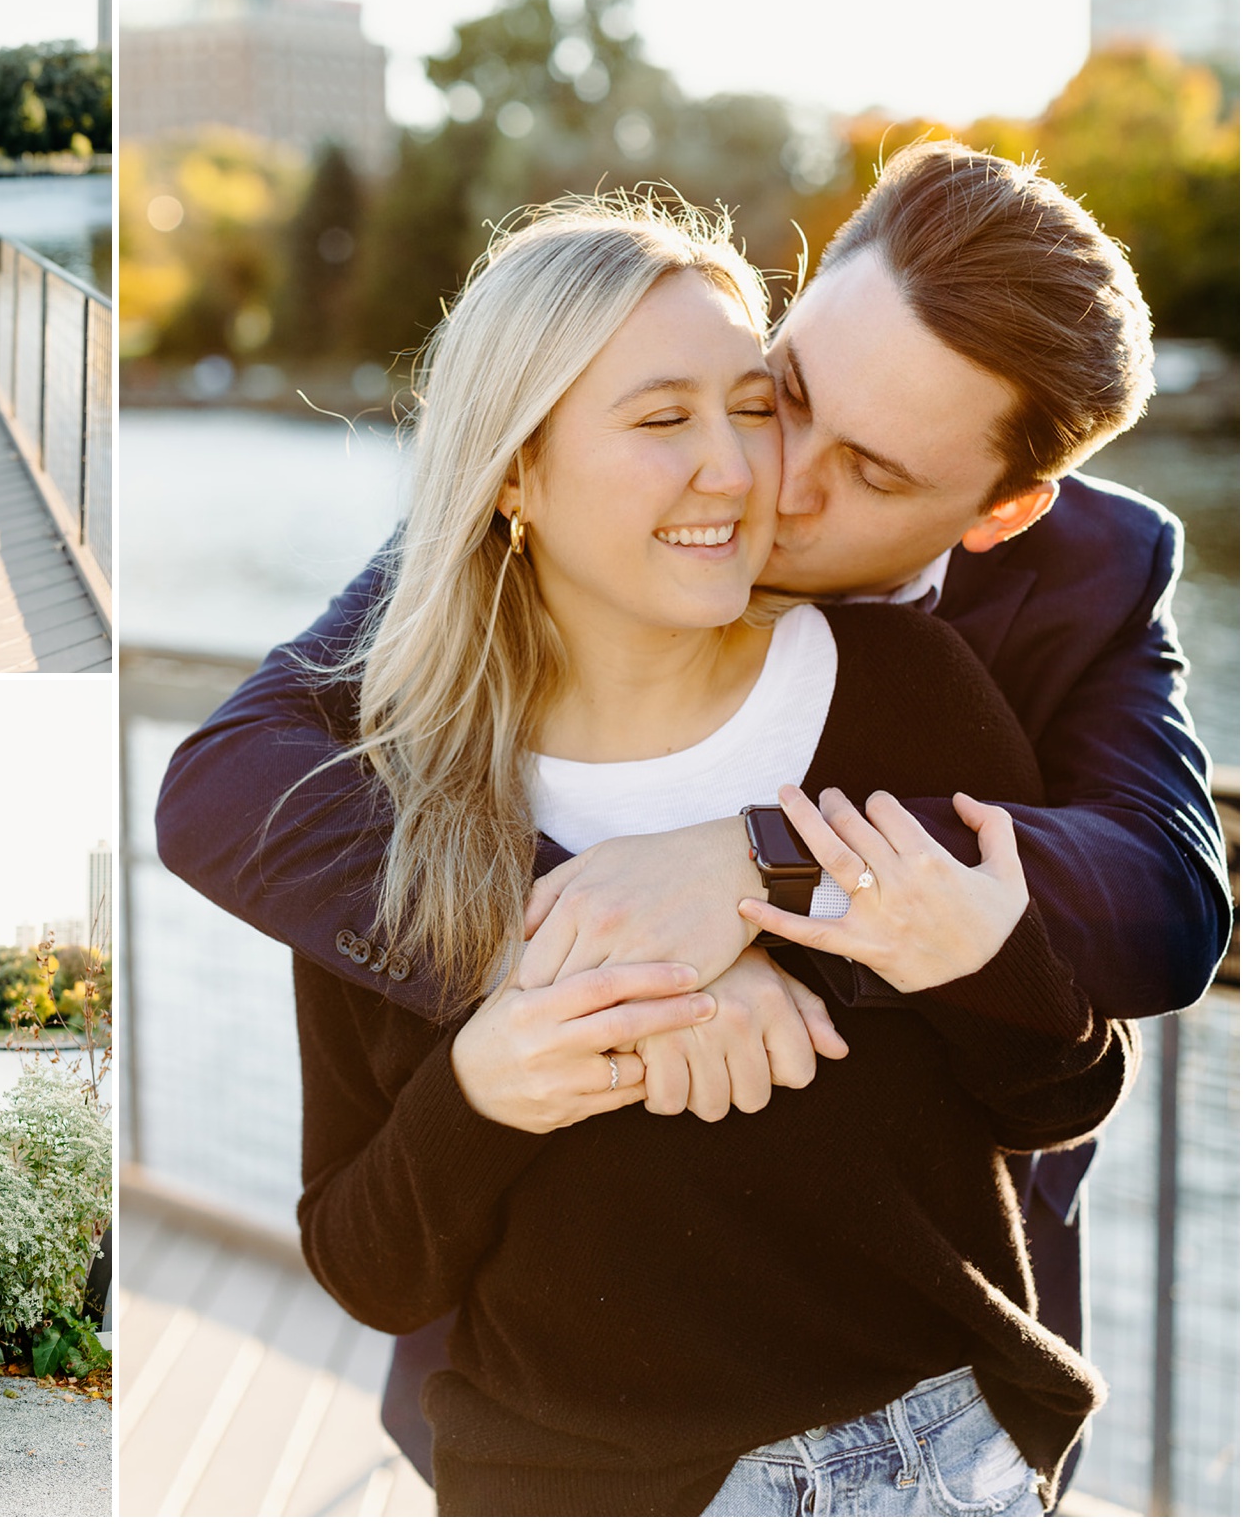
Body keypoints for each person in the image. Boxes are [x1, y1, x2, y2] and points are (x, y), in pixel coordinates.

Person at [154, 144, 1230, 1488]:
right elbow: (226, 773)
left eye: (874, 474)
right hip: (569, 1436)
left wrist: (758, 869)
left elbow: (1166, 906)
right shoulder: (497, 617)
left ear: (1002, 509)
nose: (763, 478)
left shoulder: (1008, 631)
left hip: (930, 1413)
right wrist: (597, 960)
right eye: (786, 394)